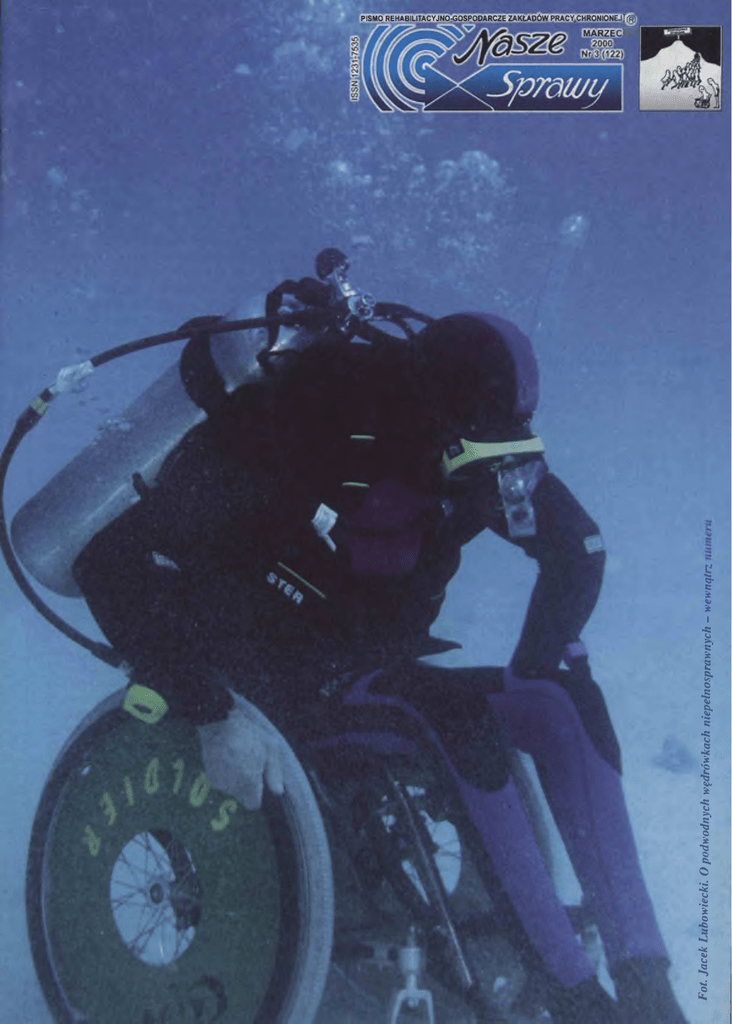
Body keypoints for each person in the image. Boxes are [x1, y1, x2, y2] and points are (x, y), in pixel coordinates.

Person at [73, 252, 687, 1024]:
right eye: (469, 453)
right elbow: (108, 561)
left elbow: (578, 549)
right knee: (448, 713)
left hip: (373, 670)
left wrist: (538, 663)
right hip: (260, 679)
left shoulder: (473, 448)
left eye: (499, 456)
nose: (485, 481)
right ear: (424, 412)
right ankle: (569, 995)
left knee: (561, 705)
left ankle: (646, 989)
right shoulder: (295, 424)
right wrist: (210, 709)